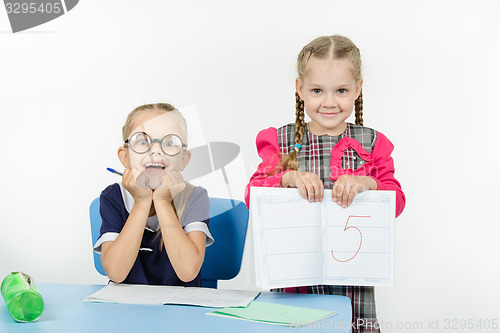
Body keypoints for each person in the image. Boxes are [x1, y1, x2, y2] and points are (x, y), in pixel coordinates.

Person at [245, 35, 405, 333]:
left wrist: (367, 183)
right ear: (300, 89)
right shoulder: (280, 141)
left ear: (357, 89)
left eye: (341, 90)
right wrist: (287, 177)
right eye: (317, 90)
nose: (329, 102)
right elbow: (253, 194)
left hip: (352, 283)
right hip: (293, 280)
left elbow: (396, 201)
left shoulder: (372, 144)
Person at [94, 103, 213, 286]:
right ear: (125, 157)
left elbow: (188, 271)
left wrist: (163, 202)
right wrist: (142, 202)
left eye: (169, 143)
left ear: (183, 159)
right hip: (125, 309)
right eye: (143, 142)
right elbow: (116, 273)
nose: (156, 150)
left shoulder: (195, 197)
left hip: (179, 309)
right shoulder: (112, 197)